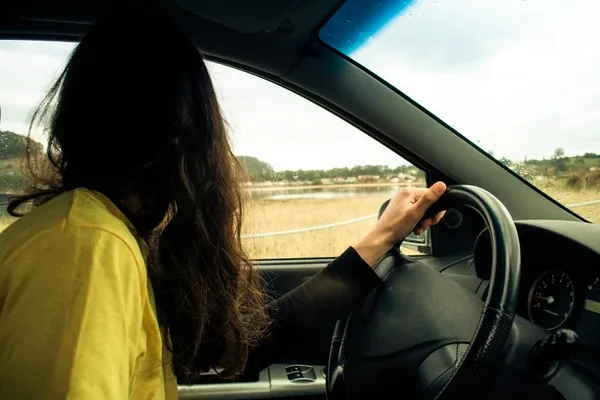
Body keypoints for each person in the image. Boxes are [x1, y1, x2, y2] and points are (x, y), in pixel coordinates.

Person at [0, 10, 446, 400]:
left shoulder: (106, 232)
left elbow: (246, 344)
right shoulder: (87, 247)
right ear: (184, 130)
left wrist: (384, 236)